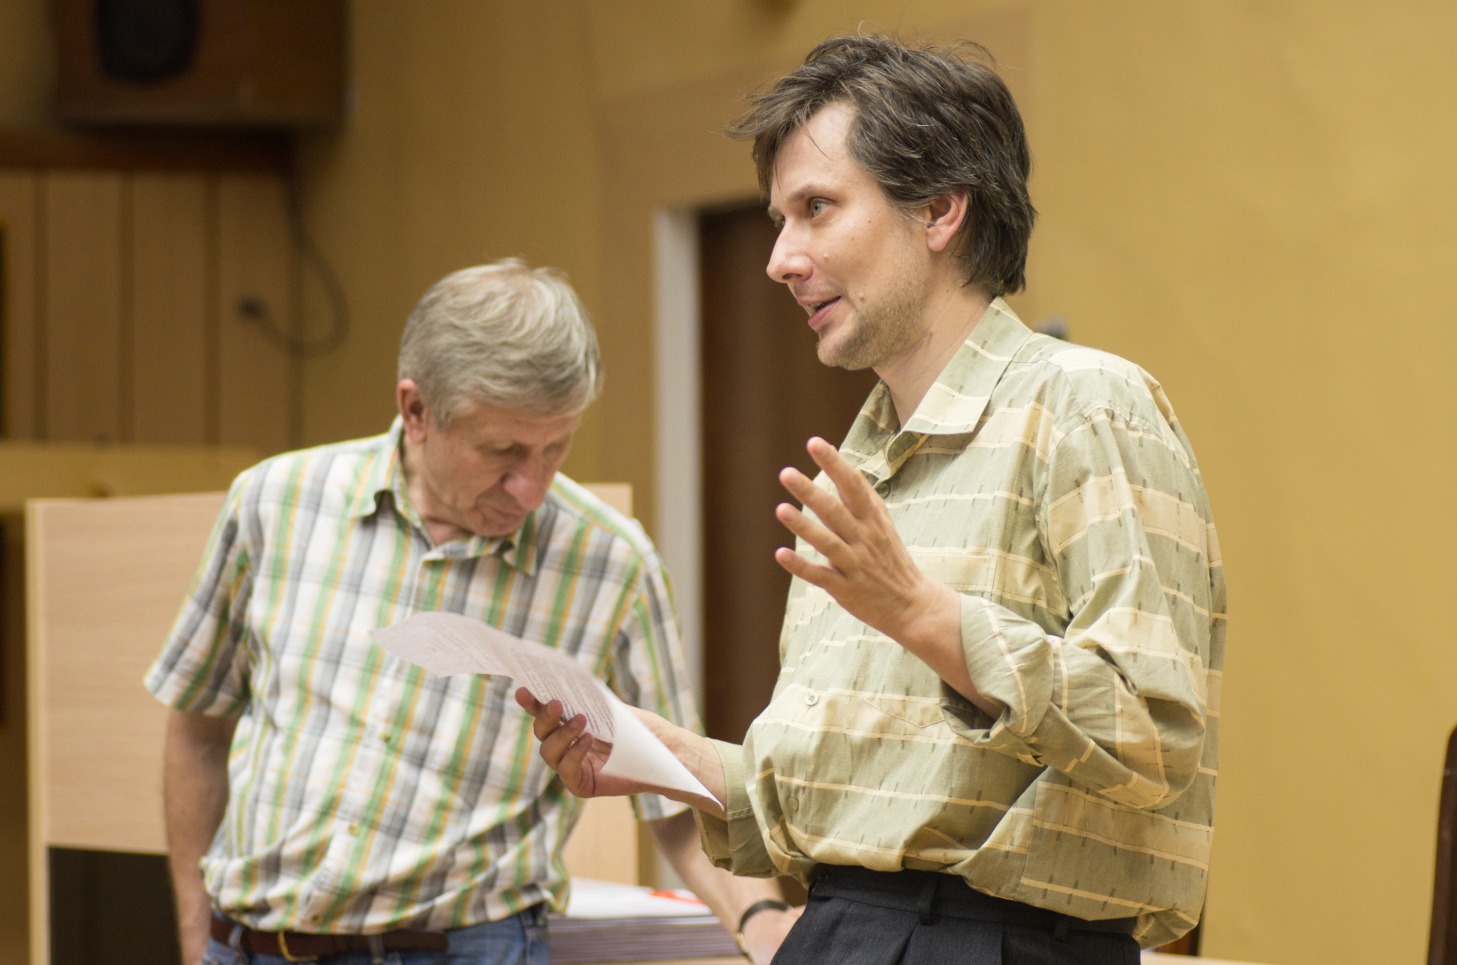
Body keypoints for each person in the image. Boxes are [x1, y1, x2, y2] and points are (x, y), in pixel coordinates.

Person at [518, 35, 1226, 965]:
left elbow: (1153, 734)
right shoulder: (858, 457)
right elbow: (868, 802)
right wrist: (672, 761)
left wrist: (926, 616)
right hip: (842, 927)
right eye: (779, 220)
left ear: (938, 209)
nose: (780, 258)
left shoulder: (1087, 404)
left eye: (816, 208)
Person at [147, 258, 795, 965]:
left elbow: (671, 796)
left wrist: (760, 918)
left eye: (555, 448)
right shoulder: (274, 501)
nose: (532, 488)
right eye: (502, 452)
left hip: (465, 948)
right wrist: (196, 939)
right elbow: (198, 732)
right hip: (248, 945)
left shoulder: (611, 561)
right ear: (416, 412)